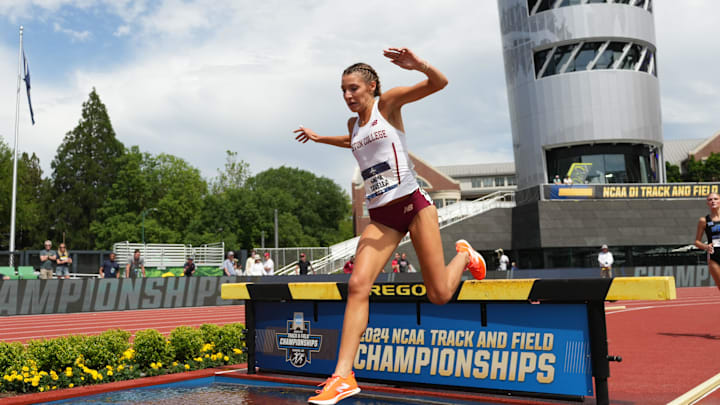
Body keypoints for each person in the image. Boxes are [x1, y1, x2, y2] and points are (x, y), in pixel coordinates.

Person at [294, 47, 486, 405]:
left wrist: (420, 66)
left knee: (440, 295)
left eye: (353, 88)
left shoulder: (389, 104)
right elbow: (351, 141)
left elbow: (439, 83)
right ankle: (343, 375)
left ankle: (464, 255)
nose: (348, 96)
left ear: (371, 86)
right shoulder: (354, 126)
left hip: (414, 206)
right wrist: (320, 138)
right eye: (343, 91)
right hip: (382, 216)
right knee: (357, 285)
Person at [694, 192, 720, 291]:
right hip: (714, 256)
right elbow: (697, 242)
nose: (713, 201)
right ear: (707, 203)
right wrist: (706, 247)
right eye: (710, 200)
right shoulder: (704, 220)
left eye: (715, 199)